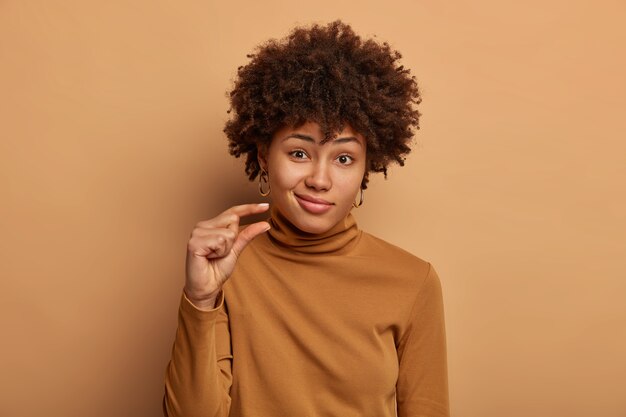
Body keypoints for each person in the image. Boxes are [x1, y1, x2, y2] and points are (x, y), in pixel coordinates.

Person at [163, 20, 450, 417]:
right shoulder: (228, 269)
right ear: (264, 155)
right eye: (299, 153)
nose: (319, 179)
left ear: (366, 169)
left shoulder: (413, 282)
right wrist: (200, 299)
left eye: (344, 158)